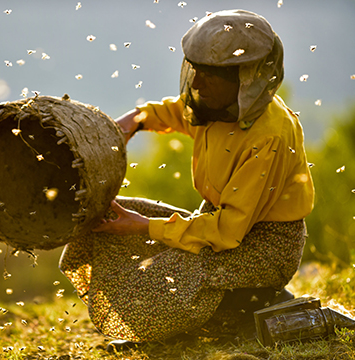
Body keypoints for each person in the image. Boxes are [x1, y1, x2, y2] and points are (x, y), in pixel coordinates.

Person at [59, 9, 314, 348]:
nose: (195, 83)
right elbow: (178, 112)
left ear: (247, 76)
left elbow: (227, 231)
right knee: (110, 220)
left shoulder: (269, 137)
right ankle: (227, 309)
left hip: (265, 247)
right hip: (218, 224)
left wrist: (142, 227)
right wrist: (135, 120)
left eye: (209, 75)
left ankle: (254, 304)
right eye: (196, 70)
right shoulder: (218, 105)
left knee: (166, 274)